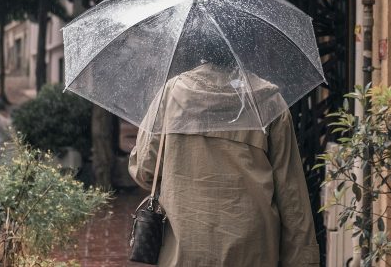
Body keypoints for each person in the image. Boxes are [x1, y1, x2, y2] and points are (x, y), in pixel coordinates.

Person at [128, 62, 320, 266]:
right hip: (253, 248)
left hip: (185, 244)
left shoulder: (171, 94)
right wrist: (302, 258)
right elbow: (291, 193)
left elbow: (145, 170)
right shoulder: (268, 100)